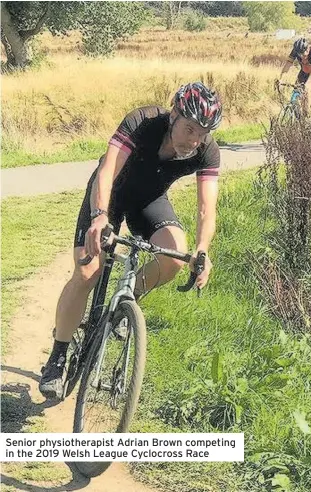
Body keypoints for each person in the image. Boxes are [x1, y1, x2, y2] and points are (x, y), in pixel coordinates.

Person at [39, 82, 222, 399]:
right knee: (87, 272)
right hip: (108, 196)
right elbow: (107, 170)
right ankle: (57, 357)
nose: (194, 140)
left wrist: (202, 250)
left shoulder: (207, 150)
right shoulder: (142, 121)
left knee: (176, 253)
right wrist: (99, 217)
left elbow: (207, 208)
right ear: (174, 113)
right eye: (190, 128)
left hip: (148, 201)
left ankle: (128, 300)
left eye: (202, 133)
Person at [278, 37, 311, 112]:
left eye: (305, 54)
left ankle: (306, 116)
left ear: (307, 49)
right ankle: (297, 112)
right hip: (305, 69)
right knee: (297, 89)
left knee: (307, 89)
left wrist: (307, 84)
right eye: (301, 55)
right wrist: (281, 78)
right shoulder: (295, 51)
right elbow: (288, 64)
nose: (303, 57)